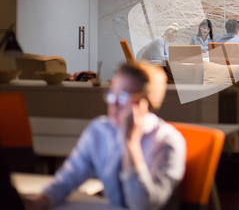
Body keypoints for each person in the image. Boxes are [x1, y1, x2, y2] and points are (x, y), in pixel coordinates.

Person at [23, 63, 186, 210]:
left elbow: (143, 205)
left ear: (145, 104)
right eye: (112, 93)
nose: (113, 103)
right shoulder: (100, 130)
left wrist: (130, 144)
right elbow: (70, 176)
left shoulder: (168, 142)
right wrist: (40, 201)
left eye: (123, 97)